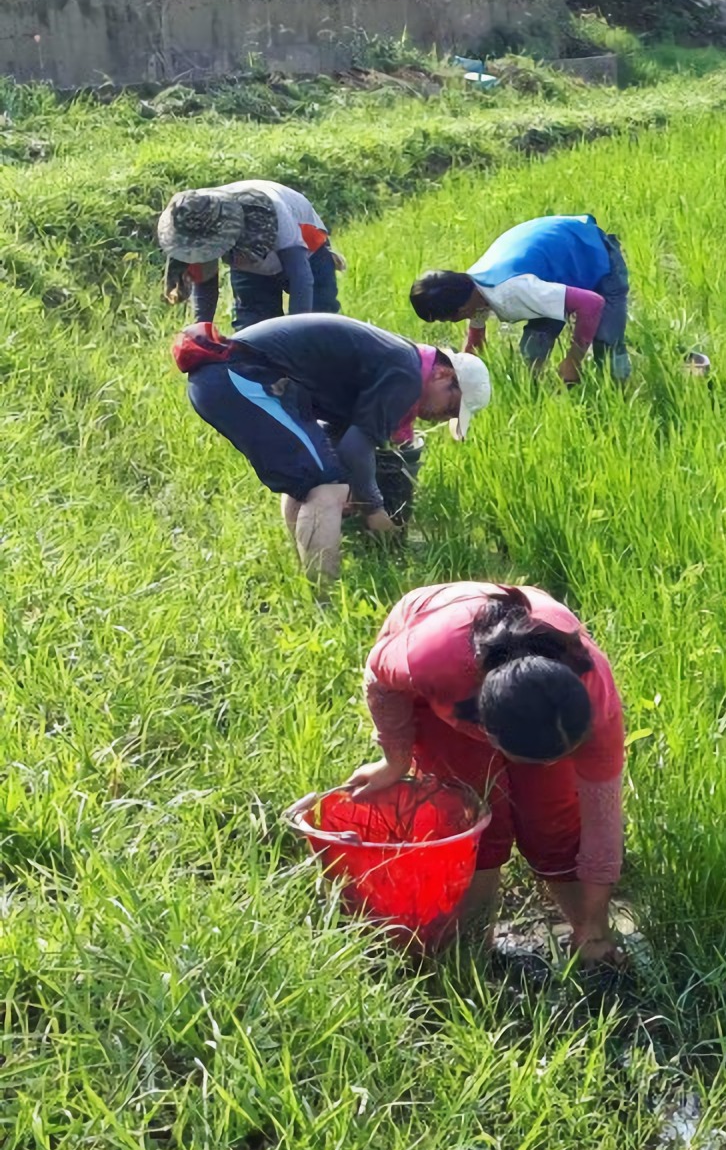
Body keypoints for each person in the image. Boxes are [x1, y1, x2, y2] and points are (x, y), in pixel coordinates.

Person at [350, 582, 627, 968]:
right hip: (445, 661)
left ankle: (587, 935)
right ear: (485, 731)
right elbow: (381, 680)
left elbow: (602, 826)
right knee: (476, 817)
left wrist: (595, 929)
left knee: (555, 818)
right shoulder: (431, 662)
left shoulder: (592, 706)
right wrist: (394, 760)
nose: (546, 767)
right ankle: (470, 948)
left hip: (520, 675)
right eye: (531, 758)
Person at [175, 314, 491, 582]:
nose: (441, 417)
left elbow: (343, 435)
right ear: (443, 375)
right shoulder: (406, 375)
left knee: (315, 477)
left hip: (234, 377)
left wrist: (356, 486)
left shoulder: (399, 360)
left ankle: (308, 574)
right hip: (239, 376)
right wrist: (374, 508)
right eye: (451, 408)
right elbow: (355, 448)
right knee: (324, 486)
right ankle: (324, 601)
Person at [409, 214, 632, 385]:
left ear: (460, 309)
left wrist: (573, 359)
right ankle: (541, 390)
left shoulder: (512, 291)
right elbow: (475, 342)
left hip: (593, 254)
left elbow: (592, 304)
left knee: (608, 342)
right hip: (555, 267)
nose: (452, 322)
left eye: (448, 318)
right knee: (533, 348)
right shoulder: (474, 286)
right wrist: (462, 377)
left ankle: (622, 393)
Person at [158, 181, 343, 330]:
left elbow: (300, 277)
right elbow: (205, 282)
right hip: (252, 270)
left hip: (309, 255)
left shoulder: (273, 213)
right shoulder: (195, 221)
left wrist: (296, 335)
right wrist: (201, 333)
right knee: (254, 333)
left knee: (320, 326)